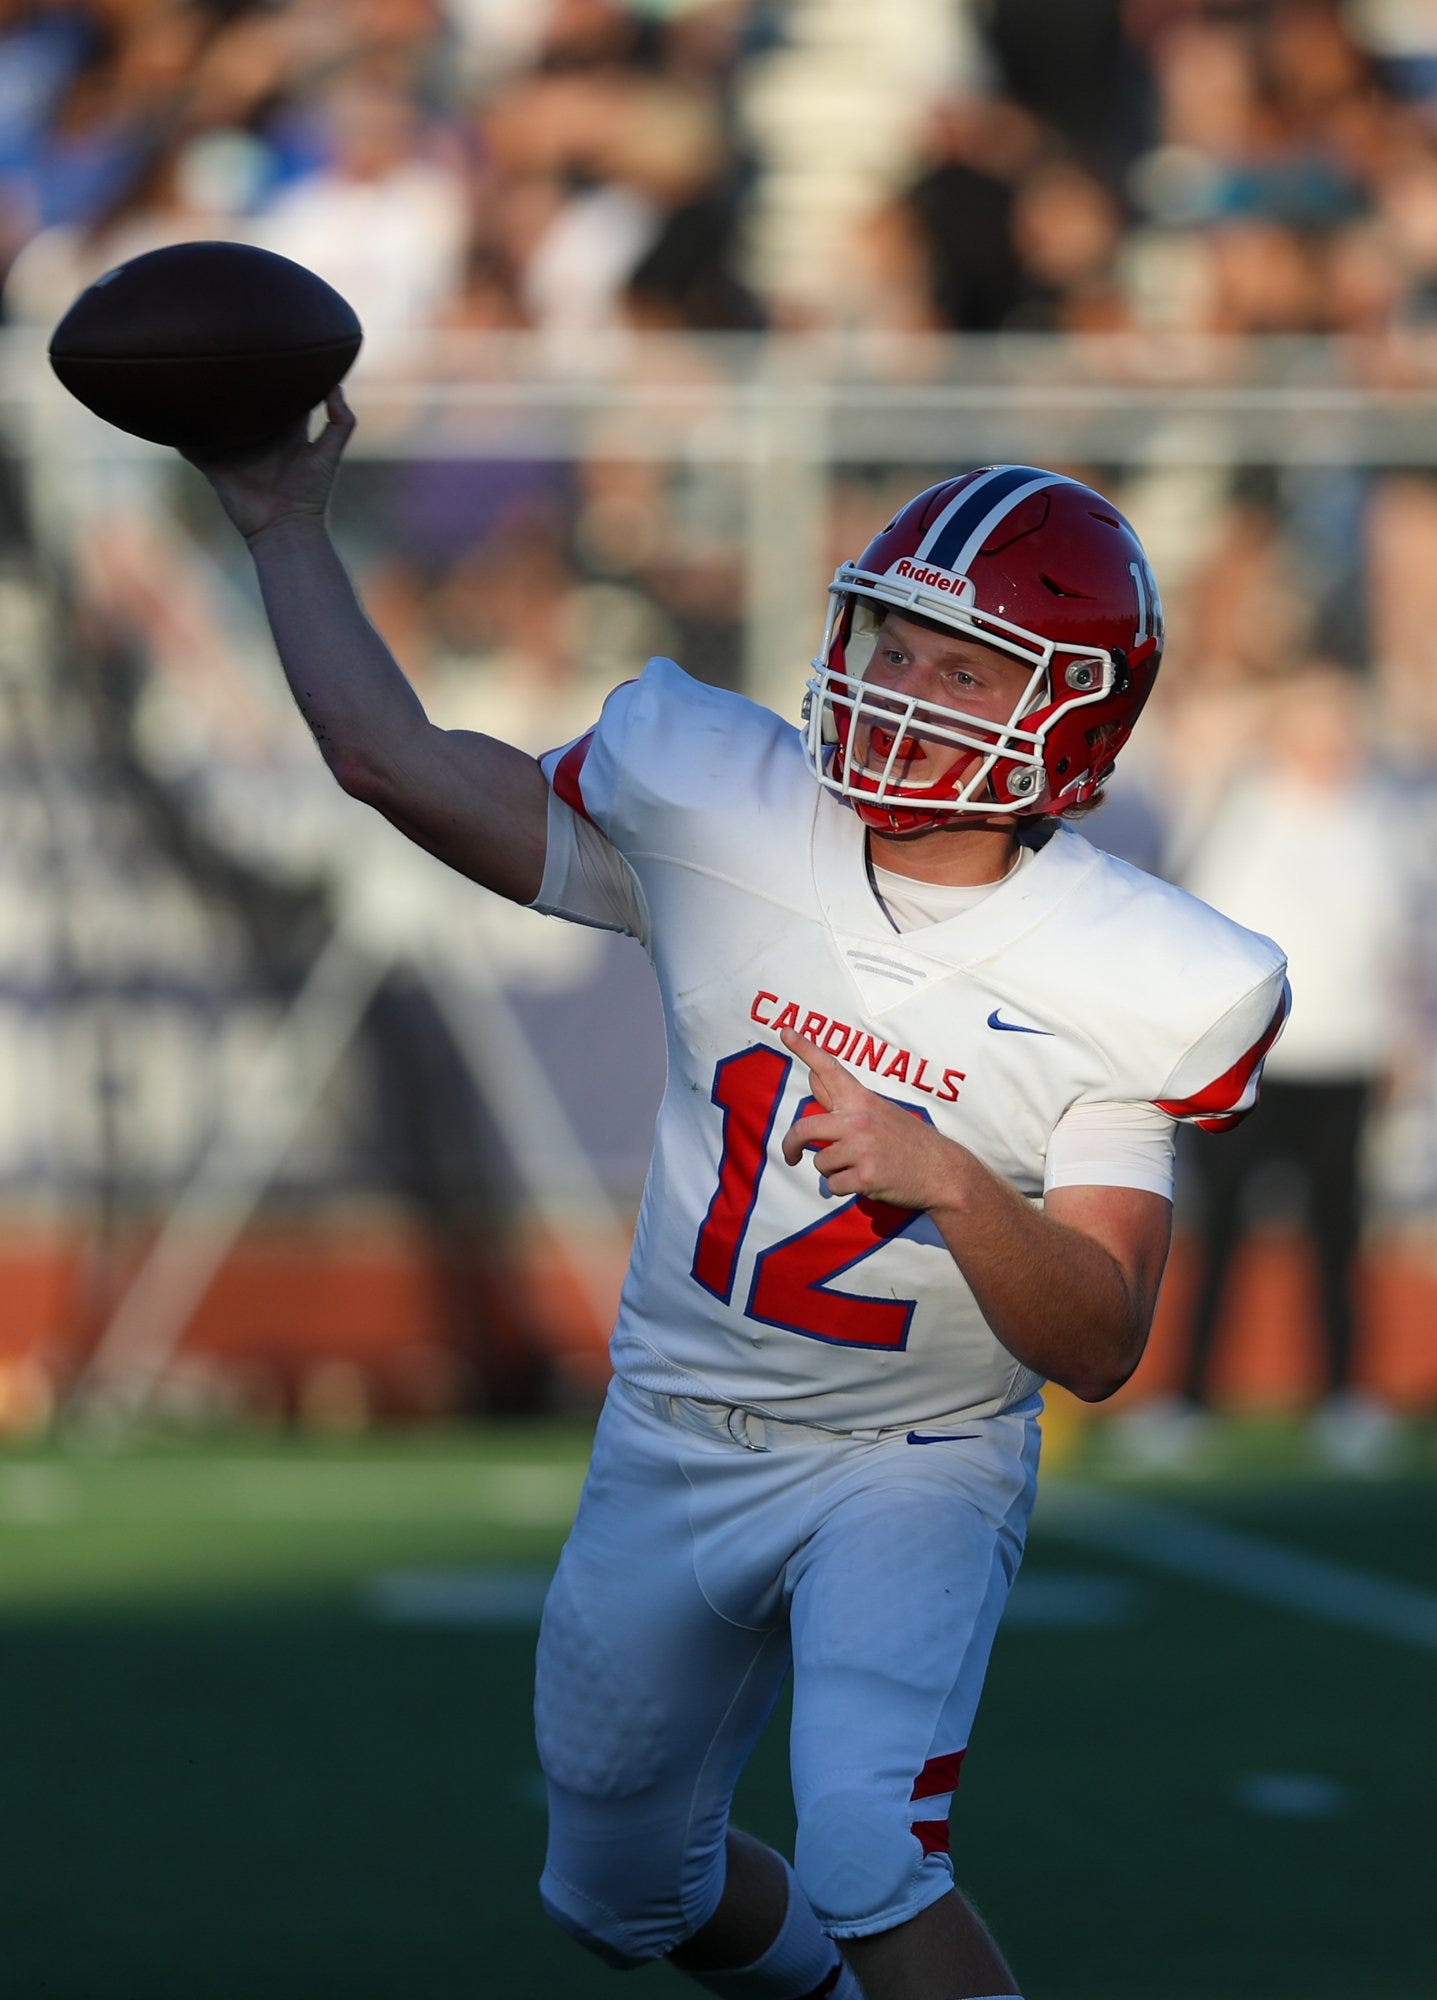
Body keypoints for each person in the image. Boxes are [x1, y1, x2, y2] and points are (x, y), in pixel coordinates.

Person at [188, 405, 1289, 2000]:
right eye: (894, 640)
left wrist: (953, 1184)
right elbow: (392, 760)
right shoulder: (726, 805)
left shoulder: (1140, 976)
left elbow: (1102, 1335)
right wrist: (282, 525)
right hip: (670, 1429)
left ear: (1073, 720)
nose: (904, 686)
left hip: (912, 1459)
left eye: (962, 668)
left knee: (866, 1855)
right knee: (619, 1895)